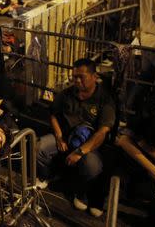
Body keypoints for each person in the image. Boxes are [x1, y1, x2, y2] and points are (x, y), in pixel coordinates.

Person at [37, 58, 115, 217]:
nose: (77, 81)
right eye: (74, 77)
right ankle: (48, 174)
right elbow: (53, 114)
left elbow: (102, 132)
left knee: (91, 165)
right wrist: (59, 136)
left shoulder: (105, 99)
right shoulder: (67, 93)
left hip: (90, 145)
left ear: (94, 76)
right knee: (40, 147)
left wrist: (80, 151)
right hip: (66, 137)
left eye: (82, 77)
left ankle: (83, 192)